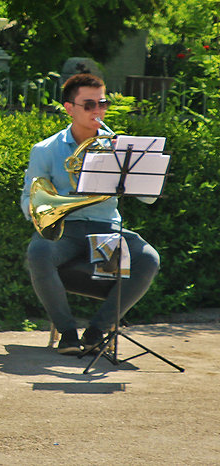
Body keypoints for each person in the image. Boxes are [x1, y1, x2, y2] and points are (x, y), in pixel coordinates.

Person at [21, 73, 160, 356]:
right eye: (89, 105)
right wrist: (43, 211)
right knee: (39, 253)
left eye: (102, 103)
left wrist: (128, 172)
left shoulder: (121, 148)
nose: (98, 111)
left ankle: (97, 330)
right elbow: (28, 199)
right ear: (69, 108)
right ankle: (68, 334)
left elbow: (149, 197)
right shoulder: (46, 150)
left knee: (148, 259)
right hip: (66, 229)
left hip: (107, 230)